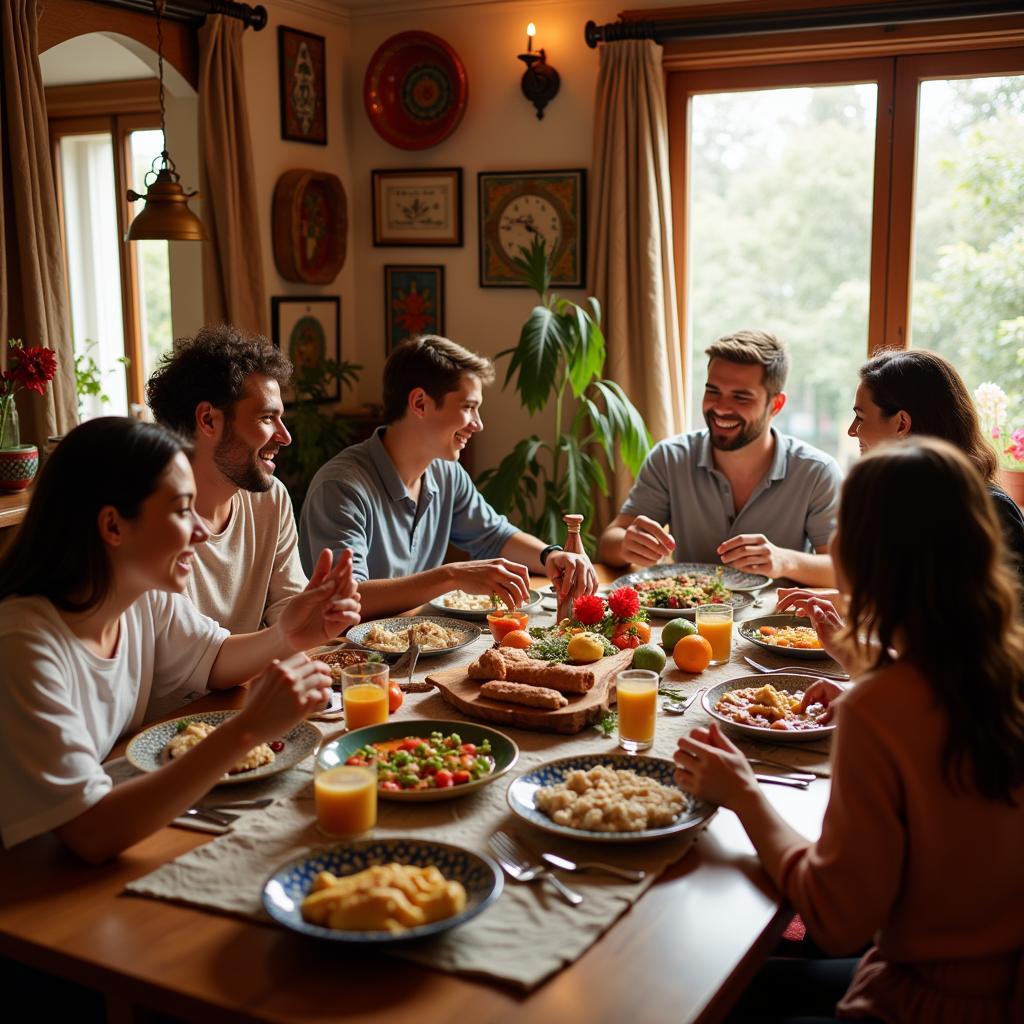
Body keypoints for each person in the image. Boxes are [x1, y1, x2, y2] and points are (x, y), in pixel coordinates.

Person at [675, 438, 1024, 1024]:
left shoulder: (882, 709)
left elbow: (836, 920)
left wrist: (743, 793)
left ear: (870, 558)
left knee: (693, 987)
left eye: (844, 528)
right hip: (1000, 977)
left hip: (924, 1003)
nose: (832, 543)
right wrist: (870, 673)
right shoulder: (997, 665)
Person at [0, 418, 360, 863]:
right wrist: (246, 731)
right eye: (181, 509)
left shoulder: (136, 596)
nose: (202, 530)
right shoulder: (23, 646)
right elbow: (90, 831)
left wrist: (288, 634)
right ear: (113, 526)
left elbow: (215, 659)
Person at [299, 335, 598, 619]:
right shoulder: (340, 488)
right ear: (419, 403)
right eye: (468, 407)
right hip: (351, 661)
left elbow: (493, 534)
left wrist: (550, 556)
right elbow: (346, 602)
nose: (478, 425)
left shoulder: (446, 473)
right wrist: (453, 576)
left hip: (417, 644)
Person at [599, 329, 841, 586]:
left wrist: (784, 561)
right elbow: (610, 540)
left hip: (775, 623)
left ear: (776, 405)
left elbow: (843, 570)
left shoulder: (817, 471)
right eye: (713, 391)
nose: (721, 408)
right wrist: (626, 545)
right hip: (687, 623)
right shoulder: (669, 458)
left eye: (741, 397)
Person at [146, 324, 308, 634]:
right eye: (266, 418)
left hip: (253, 678)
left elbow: (287, 608)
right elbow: (190, 659)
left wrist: (315, 611)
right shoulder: (151, 521)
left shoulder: (271, 498)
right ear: (208, 420)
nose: (285, 436)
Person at [846, 347, 1024, 568]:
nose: (852, 431)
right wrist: (841, 602)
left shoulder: (989, 512)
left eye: (860, 418)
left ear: (902, 423)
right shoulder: (900, 497)